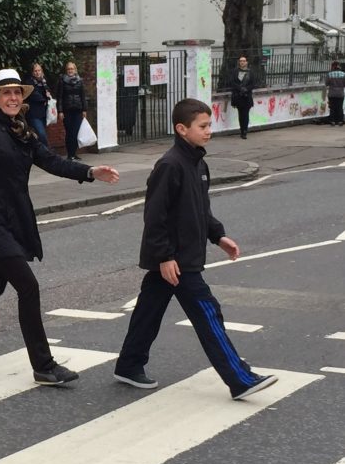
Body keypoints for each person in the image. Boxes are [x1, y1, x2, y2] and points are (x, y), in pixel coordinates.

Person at [0, 69, 120, 385]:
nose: (12, 98)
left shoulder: (23, 132)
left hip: (16, 218)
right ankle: (44, 365)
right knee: (28, 287)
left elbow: (52, 161)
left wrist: (90, 172)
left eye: (17, 93)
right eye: (5, 93)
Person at [113, 98, 278, 400]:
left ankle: (128, 364)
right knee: (207, 312)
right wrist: (164, 257)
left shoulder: (198, 164)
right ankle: (240, 378)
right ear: (181, 129)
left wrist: (219, 236)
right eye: (203, 126)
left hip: (181, 256)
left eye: (209, 125)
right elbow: (155, 216)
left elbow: (201, 209)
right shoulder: (170, 165)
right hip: (177, 259)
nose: (209, 131)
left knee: (148, 313)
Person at [54, 60, 88, 160]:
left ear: (75, 70)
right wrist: (60, 111)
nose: (70, 70)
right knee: (69, 132)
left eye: (72, 69)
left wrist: (84, 109)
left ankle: (74, 153)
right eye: (68, 69)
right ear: (66, 70)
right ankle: (70, 154)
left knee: (76, 132)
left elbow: (83, 96)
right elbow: (59, 96)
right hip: (67, 110)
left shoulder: (80, 81)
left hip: (78, 109)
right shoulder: (62, 81)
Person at [24, 62, 52, 146]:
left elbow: (49, 93)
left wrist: (48, 94)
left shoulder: (44, 82)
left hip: (43, 113)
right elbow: (35, 95)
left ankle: (40, 155)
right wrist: (45, 98)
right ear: (32, 72)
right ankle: (47, 154)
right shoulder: (29, 83)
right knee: (41, 134)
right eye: (35, 71)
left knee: (39, 136)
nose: (37, 72)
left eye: (39, 70)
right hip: (34, 114)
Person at [229, 55, 256, 139]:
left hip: (247, 96)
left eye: (244, 61)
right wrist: (240, 88)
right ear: (239, 62)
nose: (242, 62)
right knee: (240, 114)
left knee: (246, 114)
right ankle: (242, 130)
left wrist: (246, 89)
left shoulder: (250, 72)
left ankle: (245, 131)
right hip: (238, 96)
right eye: (241, 61)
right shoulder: (235, 71)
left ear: (246, 62)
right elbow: (232, 82)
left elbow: (253, 83)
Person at [325, 61, 345, 126]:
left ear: (333, 66)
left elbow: (326, 83)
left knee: (332, 107)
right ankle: (340, 121)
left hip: (332, 93)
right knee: (340, 107)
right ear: (339, 66)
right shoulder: (343, 74)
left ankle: (332, 121)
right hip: (340, 94)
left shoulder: (329, 74)